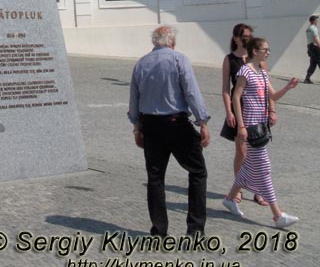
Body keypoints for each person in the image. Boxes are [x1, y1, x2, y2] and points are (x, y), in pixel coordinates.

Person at [128, 25, 210, 237]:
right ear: (172, 42)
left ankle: (159, 230)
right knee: (198, 171)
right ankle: (195, 229)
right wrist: (202, 121)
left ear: (154, 42)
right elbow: (191, 92)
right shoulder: (179, 59)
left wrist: (137, 127)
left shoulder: (141, 63)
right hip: (176, 124)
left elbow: (134, 98)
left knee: (155, 178)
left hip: (150, 125)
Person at [222, 37, 299, 228]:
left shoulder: (263, 73)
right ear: (255, 51)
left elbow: (272, 96)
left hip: (261, 126)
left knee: (249, 167)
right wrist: (240, 126)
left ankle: (230, 198)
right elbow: (235, 96)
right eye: (265, 49)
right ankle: (277, 215)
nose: (268, 52)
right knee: (264, 168)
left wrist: (287, 88)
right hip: (250, 127)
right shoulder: (245, 71)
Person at [221, 23, 268, 206]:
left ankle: (258, 191)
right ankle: (238, 188)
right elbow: (226, 88)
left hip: (257, 109)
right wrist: (228, 111)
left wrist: (271, 109)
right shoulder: (229, 59)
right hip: (239, 109)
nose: (246, 38)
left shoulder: (257, 57)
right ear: (235, 38)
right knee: (241, 151)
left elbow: (266, 85)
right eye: (243, 36)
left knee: (257, 151)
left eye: (249, 35)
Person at [304, 14, 319, 84]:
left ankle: (307, 78)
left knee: (313, 63)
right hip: (315, 47)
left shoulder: (308, 29)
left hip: (310, 47)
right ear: (313, 21)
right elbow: (315, 38)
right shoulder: (314, 28)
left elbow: (308, 39)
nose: (317, 21)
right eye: (316, 20)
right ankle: (307, 79)